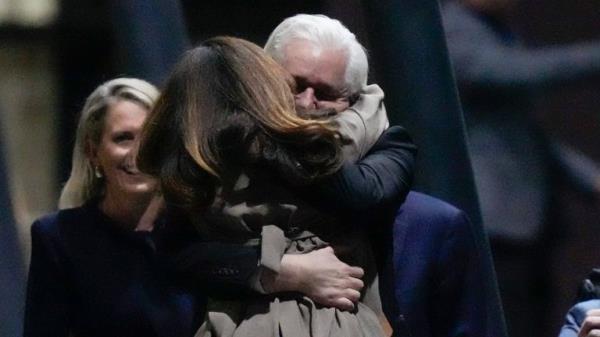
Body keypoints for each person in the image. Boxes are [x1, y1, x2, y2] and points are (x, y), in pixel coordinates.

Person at [23, 77, 368, 337]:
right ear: (92, 151)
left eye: (149, 137)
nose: (138, 153)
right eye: (122, 138)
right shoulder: (60, 238)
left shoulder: (204, 224)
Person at [137, 35, 416, 337]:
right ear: (264, 85)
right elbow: (178, 259)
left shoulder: (190, 168)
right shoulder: (301, 151)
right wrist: (369, 102)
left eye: (325, 93)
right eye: (294, 86)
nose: (306, 104)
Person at [442, 1, 600, 336]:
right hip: (492, 222)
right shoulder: (450, 27)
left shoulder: (497, 29)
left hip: (529, 221)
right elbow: (514, 70)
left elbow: (527, 135)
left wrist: (590, 178)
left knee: (535, 318)